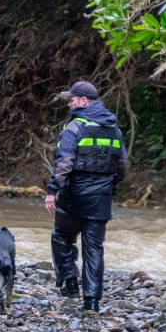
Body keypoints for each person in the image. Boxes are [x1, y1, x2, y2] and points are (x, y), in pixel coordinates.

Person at [44, 80, 128, 312]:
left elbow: (64, 163)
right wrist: (110, 185)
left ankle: (69, 283)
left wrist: (52, 190)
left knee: (61, 236)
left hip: (75, 195)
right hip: (101, 198)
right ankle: (91, 301)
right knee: (94, 248)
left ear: (83, 101)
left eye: (71, 100)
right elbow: (121, 165)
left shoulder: (75, 127)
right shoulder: (114, 128)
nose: (69, 104)